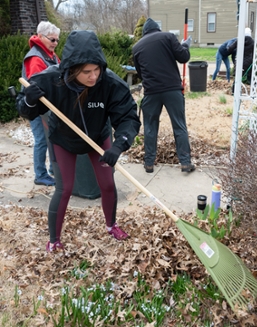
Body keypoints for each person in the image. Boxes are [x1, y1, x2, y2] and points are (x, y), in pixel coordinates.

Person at [17, 30, 141, 251]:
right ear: (72, 70)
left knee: (107, 183)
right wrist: (29, 100)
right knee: (64, 189)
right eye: (86, 72)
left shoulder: (109, 82)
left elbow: (129, 117)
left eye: (97, 70)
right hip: (63, 138)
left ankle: (111, 225)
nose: (93, 77)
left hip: (97, 137)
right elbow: (26, 110)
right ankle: (54, 240)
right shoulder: (50, 79)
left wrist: (119, 144)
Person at [132, 18, 195, 174]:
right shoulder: (168, 37)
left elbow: (140, 73)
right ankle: (185, 163)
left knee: (150, 127)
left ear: (144, 32)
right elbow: (183, 57)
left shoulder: (137, 47)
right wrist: (185, 45)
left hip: (151, 92)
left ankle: (148, 163)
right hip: (172, 89)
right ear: (157, 29)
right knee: (179, 125)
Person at [22, 21, 61, 186]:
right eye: (52, 40)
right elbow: (39, 86)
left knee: (51, 137)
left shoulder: (50, 55)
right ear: (40, 37)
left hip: (49, 106)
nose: (55, 43)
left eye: (57, 40)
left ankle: (54, 168)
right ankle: (40, 174)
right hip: (37, 107)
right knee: (41, 140)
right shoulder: (35, 58)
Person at [229, 27, 254, 91]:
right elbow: (254, 52)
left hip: (239, 61)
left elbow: (230, 48)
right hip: (248, 62)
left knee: (238, 77)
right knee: (250, 76)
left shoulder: (239, 40)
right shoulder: (252, 42)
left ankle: (234, 91)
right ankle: (252, 91)